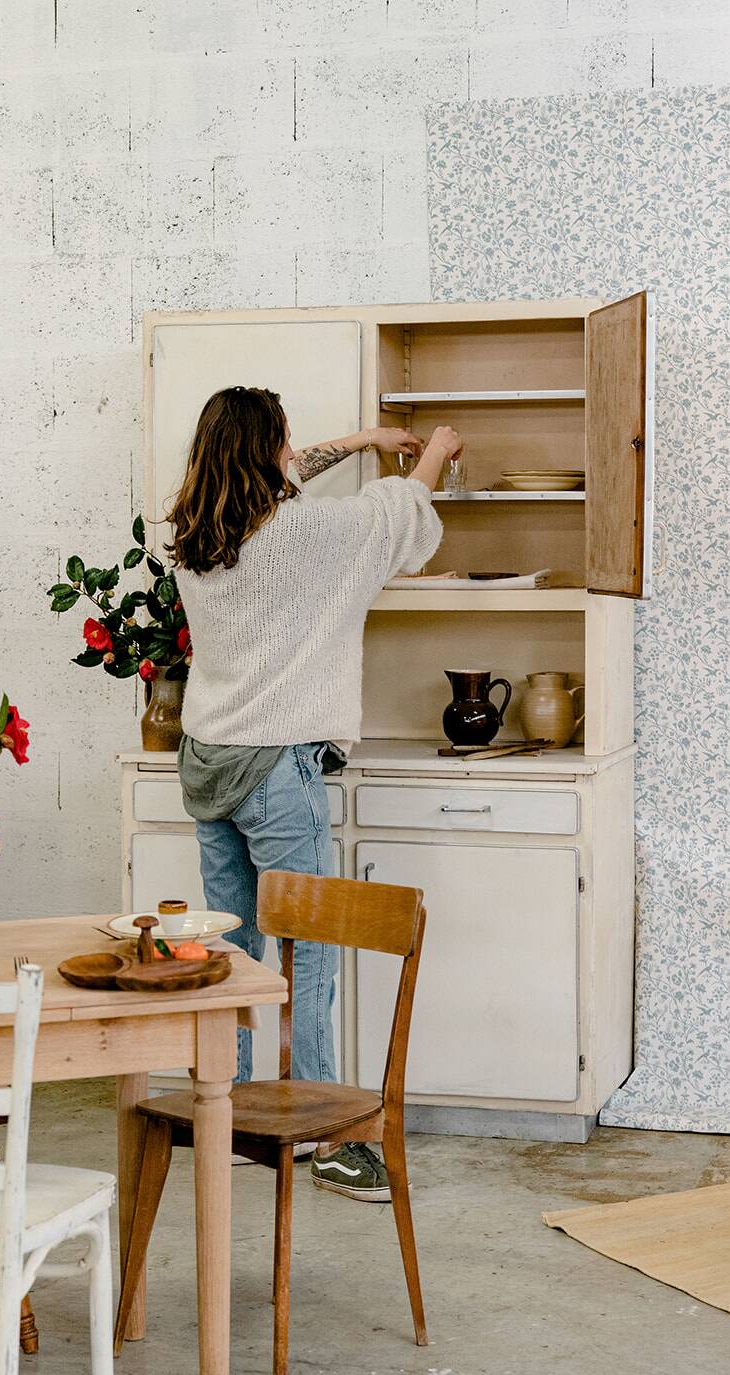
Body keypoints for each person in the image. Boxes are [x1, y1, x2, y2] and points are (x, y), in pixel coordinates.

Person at [167, 385, 462, 1201]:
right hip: (274, 769)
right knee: (311, 955)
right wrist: (434, 449)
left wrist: (365, 436)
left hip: (206, 760)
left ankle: (224, 1117)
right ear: (272, 450)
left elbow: (289, 476)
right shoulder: (305, 534)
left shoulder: (191, 537)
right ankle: (325, 1134)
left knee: (229, 950)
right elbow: (398, 516)